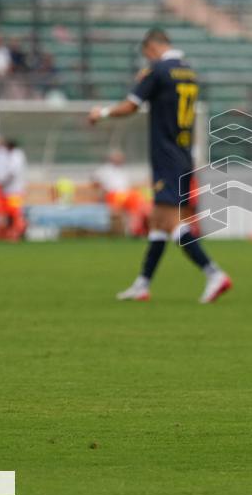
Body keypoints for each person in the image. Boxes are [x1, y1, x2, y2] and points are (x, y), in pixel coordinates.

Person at [88, 28, 231, 303]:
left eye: (146, 55)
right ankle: (143, 284)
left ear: (151, 48)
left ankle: (213, 273)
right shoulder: (188, 71)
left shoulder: (158, 70)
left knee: (171, 220)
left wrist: (101, 113)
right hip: (183, 152)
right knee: (156, 221)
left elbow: (131, 105)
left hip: (165, 155)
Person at [92, 149, 149, 236]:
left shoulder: (123, 171)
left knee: (138, 203)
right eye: (117, 157)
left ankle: (135, 229)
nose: (120, 159)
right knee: (136, 199)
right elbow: (95, 181)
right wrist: (102, 191)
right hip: (113, 195)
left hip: (125, 196)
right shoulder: (105, 169)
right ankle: (136, 229)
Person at [2, 139, 27, 240]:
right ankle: (13, 232)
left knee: (15, 213)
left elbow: (12, 173)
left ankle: (17, 232)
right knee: (11, 213)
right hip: (11, 191)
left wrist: (2, 182)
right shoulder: (13, 156)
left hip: (14, 191)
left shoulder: (16, 156)